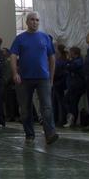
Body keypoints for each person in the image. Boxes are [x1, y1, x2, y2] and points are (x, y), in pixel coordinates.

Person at [9, 11, 59, 146]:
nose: (35, 22)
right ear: (27, 22)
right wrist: (15, 73)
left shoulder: (45, 38)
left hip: (43, 78)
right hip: (24, 79)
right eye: (32, 20)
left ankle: (50, 134)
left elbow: (52, 58)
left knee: (47, 107)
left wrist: (51, 77)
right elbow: (13, 56)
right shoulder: (20, 39)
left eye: (37, 20)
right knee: (25, 109)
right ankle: (29, 134)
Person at [64, 46, 86, 127]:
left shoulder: (78, 61)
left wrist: (68, 62)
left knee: (73, 103)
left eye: (70, 52)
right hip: (73, 85)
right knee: (68, 101)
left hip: (77, 86)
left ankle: (72, 120)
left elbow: (70, 67)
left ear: (74, 53)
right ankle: (71, 118)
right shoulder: (74, 61)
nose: (69, 54)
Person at [52, 42, 69, 126]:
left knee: (59, 102)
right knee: (57, 102)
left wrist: (52, 78)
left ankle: (61, 119)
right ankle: (57, 119)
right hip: (59, 83)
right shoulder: (63, 60)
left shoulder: (59, 61)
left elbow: (57, 73)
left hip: (58, 83)